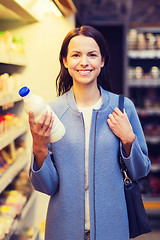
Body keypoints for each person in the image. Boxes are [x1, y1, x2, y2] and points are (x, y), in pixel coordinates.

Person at [29, 25, 151, 240]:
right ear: (65, 61)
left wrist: (128, 140)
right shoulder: (51, 112)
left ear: (102, 60)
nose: (84, 62)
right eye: (76, 55)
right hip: (63, 230)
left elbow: (141, 171)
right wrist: (39, 149)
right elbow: (47, 187)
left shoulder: (123, 107)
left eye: (92, 55)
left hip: (112, 229)